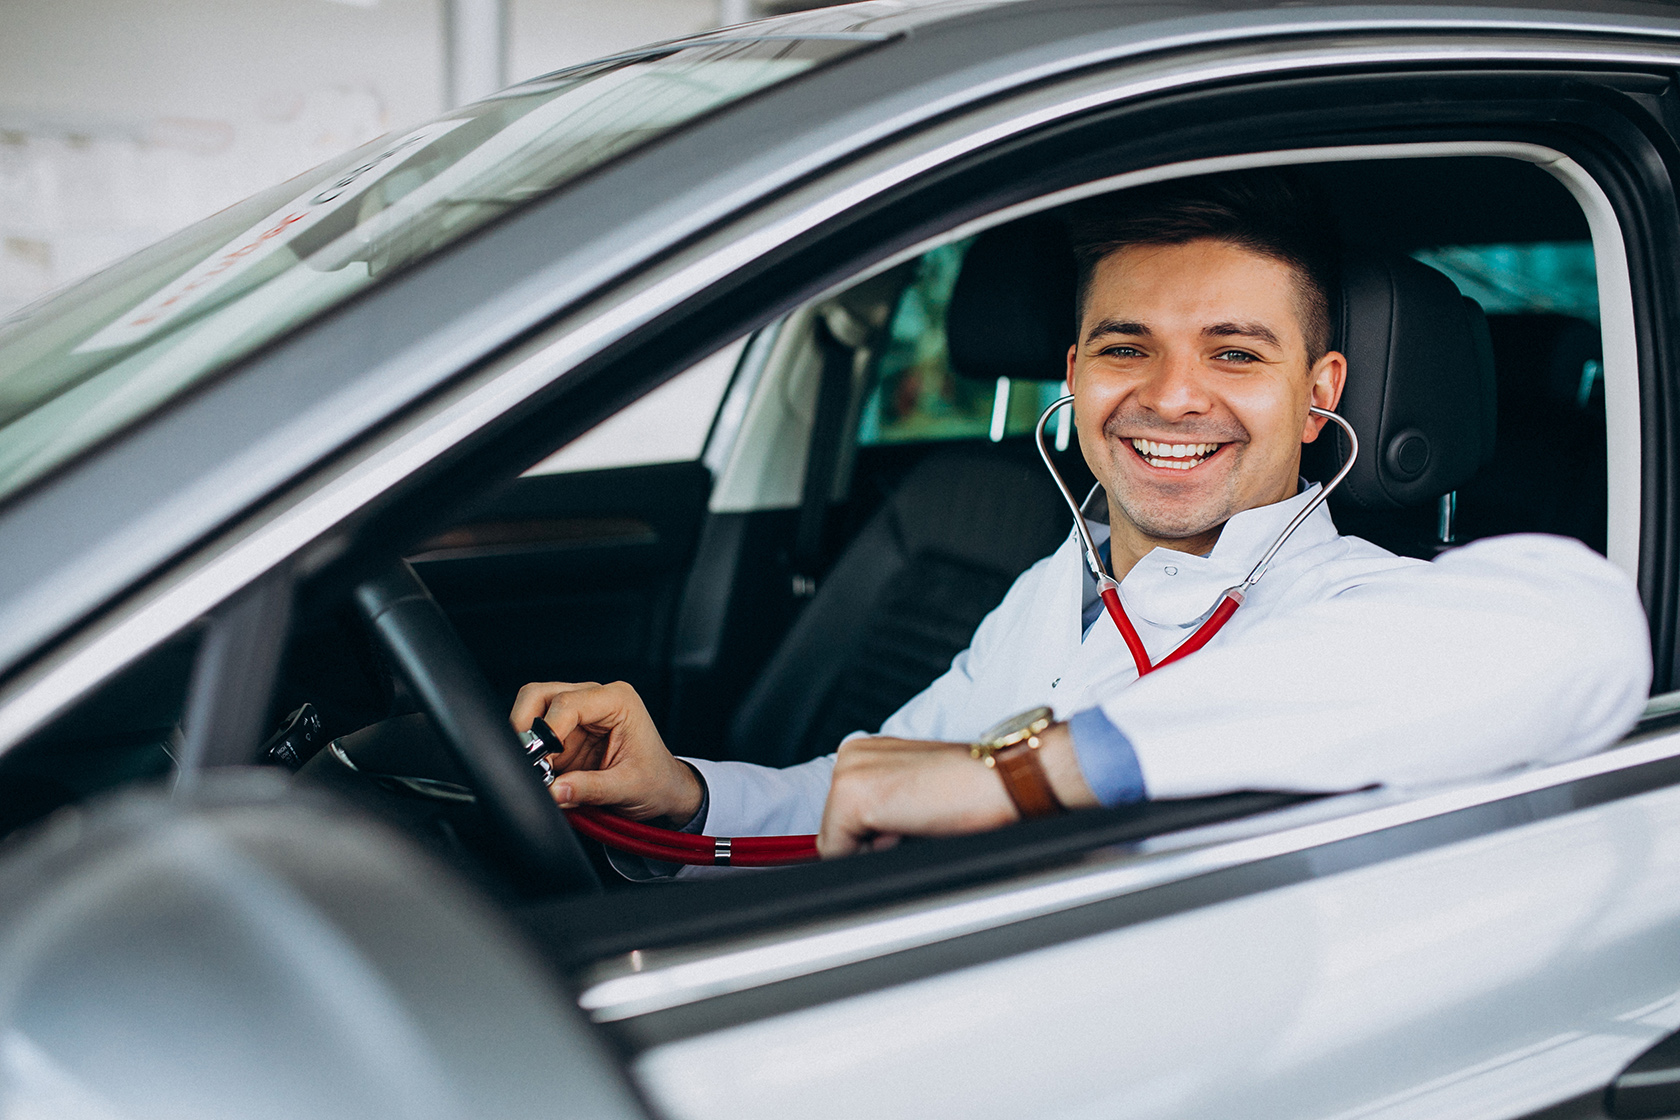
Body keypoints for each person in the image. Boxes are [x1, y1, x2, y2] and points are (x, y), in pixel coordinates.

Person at [509, 171, 1652, 869]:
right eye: (1126, 347)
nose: (1170, 396)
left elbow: (1588, 631)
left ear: (1322, 394)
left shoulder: (1350, 602)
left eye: (1235, 354)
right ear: (1072, 370)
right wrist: (689, 794)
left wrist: (1033, 772)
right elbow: (875, 783)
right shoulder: (1064, 583)